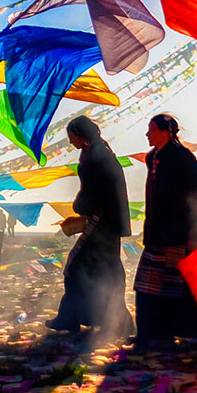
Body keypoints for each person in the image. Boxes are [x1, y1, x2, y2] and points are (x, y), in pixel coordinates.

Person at [47, 115, 134, 337]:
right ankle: (106, 319)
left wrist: (80, 205)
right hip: (105, 222)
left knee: (81, 268)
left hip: (102, 221)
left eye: (71, 137)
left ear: (81, 135)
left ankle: (77, 318)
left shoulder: (98, 157)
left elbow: (96, 191)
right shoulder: (96, 153)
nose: (70, 143)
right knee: (103, 271)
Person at [134, 113, 197, 346]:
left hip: (179, 233)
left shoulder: (182, 158)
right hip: (157, 232)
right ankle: (151, 332)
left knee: (176, 286)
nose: (147, 134)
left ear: (166, 132)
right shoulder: (152, 157)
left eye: (152, 130)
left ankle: (189, 330)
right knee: (149, 283)